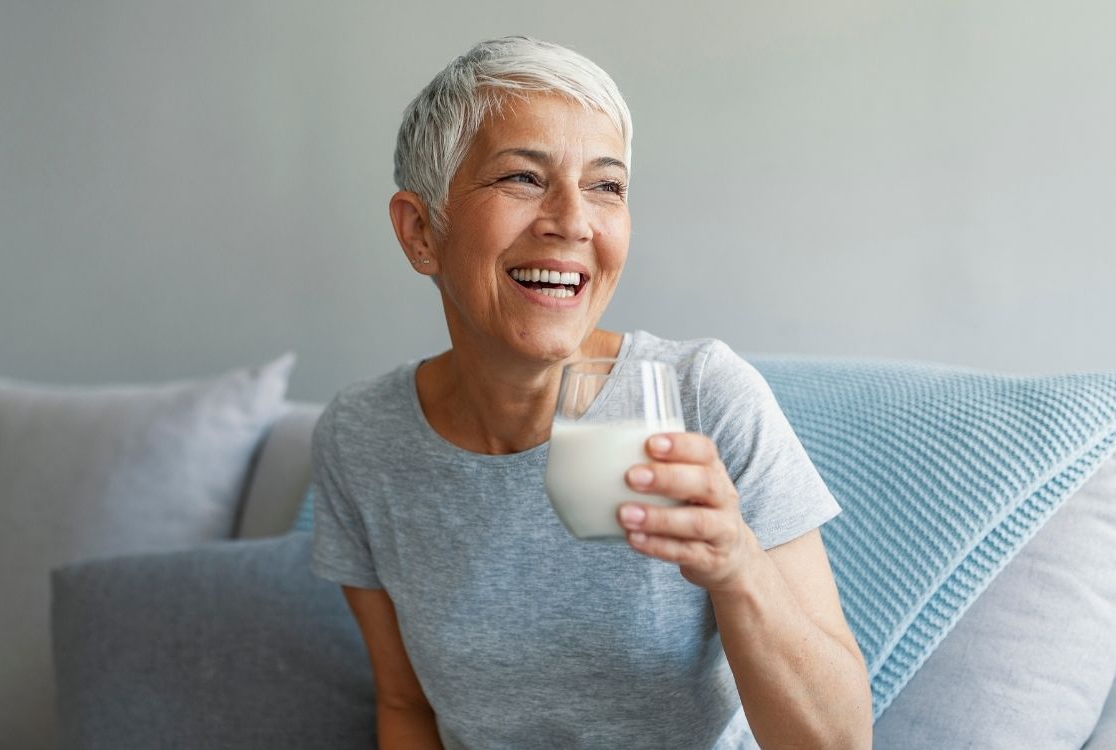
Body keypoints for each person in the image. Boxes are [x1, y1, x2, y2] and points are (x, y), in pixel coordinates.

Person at [310, 36, 872, 749]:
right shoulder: (361, 437)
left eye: (606, 186)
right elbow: (405, 703)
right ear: (421, 231)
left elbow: (840, 742)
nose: (573, 221)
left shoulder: (703, 396)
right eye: (522, 177)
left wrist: (737, 567)